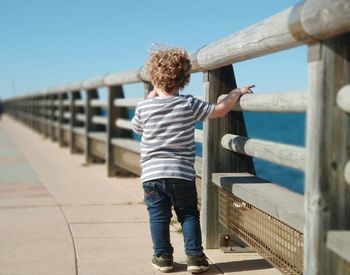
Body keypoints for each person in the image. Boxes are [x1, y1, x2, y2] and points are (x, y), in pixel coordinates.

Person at [131, 46, 254, 273]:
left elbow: (138, 128)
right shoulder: (188, 104)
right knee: (188, 214)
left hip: (152, 175)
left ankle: (163, 257)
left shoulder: (144, 106)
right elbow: (218, 110)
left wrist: (149, 99)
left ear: (153, 79)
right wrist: (235, 93)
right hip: (181, 174)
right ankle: (195, 258)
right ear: (184, 80)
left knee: (158, 216)